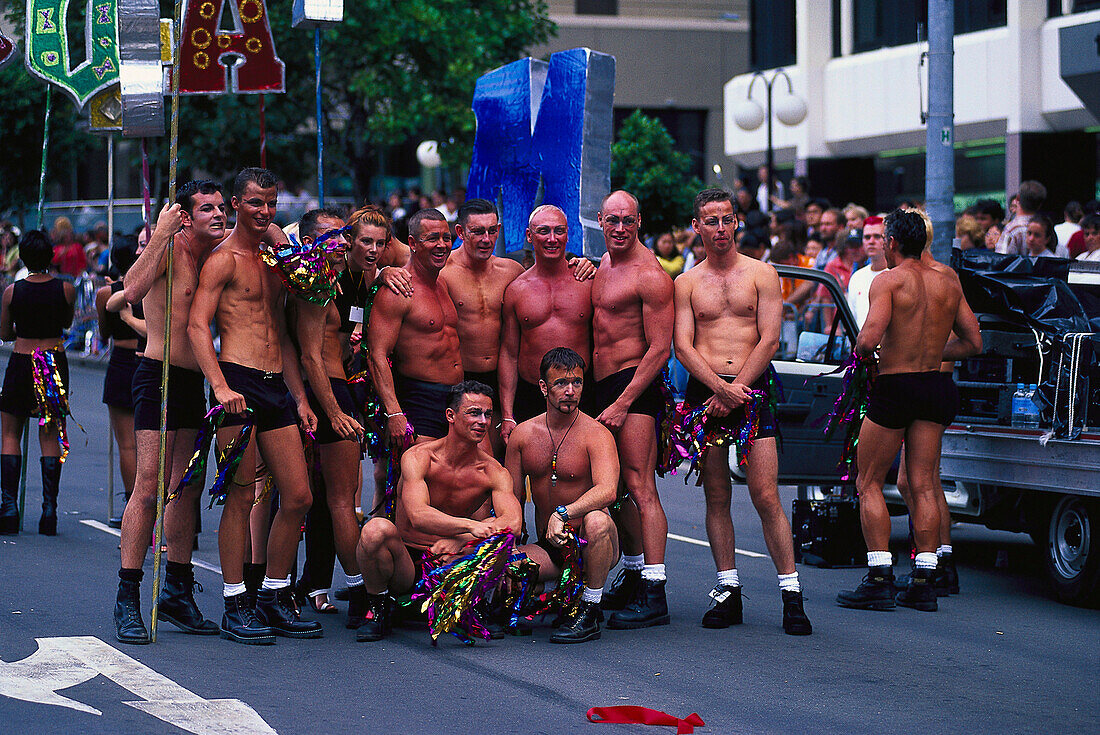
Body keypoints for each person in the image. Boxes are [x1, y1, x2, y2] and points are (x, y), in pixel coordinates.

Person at [189, 167, 322, 644]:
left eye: (271, 202)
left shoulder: (274, 253)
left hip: (274, 384)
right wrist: (219, 386)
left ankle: (272, 594)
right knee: (242, 495)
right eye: (254, 203)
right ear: (235, 203)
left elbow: (292, 323)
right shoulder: (223, 260)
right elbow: (196, 326)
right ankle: (233, 601)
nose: (264, 211)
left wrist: (300, 396)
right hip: (238, 381)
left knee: (299, 495)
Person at [673, 188, 812, 635]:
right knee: (717, 495)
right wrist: (717, 389)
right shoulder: (686, 282)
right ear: (697, 227)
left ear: (737, 223)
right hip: (706, 393)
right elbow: (682, 344)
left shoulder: (762, 273)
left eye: (726, 219)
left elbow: (769, 338)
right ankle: (728, 590)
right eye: (710, 221)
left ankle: (791, 594)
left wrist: (737, 390)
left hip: (752, 391)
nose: (719, 228)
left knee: (766, 496)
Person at [836, 209, 981, 613]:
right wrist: (933, 352)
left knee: (867, 482)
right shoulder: (948, 280)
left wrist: (876, 352)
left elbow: (867, 341)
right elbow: (973, 342)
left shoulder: (888, 280)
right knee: (922, 484)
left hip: (896, 386)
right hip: (935, 386)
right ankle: (923, 578)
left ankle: (880, 577)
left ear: (893, 243)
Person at [114, 183, 230, 644]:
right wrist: (160, 234)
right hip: (156, 375)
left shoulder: (218, 252)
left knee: (187, 488)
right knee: (149, 488)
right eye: (208, 208)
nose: (219, 214)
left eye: (222, 207)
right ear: (185, 216)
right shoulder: (171, 247)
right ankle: (127, 598)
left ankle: (177, 591)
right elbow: (130, 289)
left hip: (192, 381)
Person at [354, 381, 522, 642]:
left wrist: (460, 540)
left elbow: (513, 522)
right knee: (375, 530)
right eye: (474, 413)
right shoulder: (419, 457)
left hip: (453, 565)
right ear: (450, 416)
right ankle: (378, 608)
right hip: (407, 565)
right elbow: (417, 515)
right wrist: (468, 527)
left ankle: (471, 604)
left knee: (502, 536)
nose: (483, 421)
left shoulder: (493, 472)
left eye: (488, 414)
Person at [586, 191, 675, 629]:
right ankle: (637, 572)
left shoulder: (650, 274)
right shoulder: (601, 265)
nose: (620, 228)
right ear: (600, 221)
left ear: (639, 221)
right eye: (612, 221)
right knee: (614, 484)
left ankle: (655, 591)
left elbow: (661, 348)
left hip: (634, 388)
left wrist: (624, 402)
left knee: (641, 486)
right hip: (603, 387)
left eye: (628, 220)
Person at [289, 208, 370, 630]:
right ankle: (360, 591)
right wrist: (333, 411)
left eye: (342, 234)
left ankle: (310, 584)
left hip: (338, 389)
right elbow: (309, 354)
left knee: (328, 500)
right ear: (307, 241)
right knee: (334, 500)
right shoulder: (311, 279)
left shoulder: (337, 277)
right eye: (327, 236)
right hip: (326, 395)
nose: (339, 242)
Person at [507, 349, 619, 643]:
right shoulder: (522, 435)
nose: (570, 391)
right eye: (560, 384)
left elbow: (607, 491)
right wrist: (510, 541)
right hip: (551, 548)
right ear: (543, 387)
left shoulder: (597, 434)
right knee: (502, 567)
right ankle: (557, 590)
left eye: (577, 383)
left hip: (591, 541)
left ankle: (591, 607)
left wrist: (564, 513)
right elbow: (512, 496)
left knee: (596, 519)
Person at [0, 230, 76, 536]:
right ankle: (49, 510)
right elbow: (67, 323)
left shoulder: (12, 291)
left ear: (22, 258)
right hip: (53, 361)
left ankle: (8, 508)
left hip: (21, 361)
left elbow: (4, 333)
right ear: (51, 256)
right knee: (49, 434)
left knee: (9, 434)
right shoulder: (66, 289)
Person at [368, 208, 463, 447]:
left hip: (457, 397)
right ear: (412, 243)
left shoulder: (442, 283)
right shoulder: (397, 290)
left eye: (446, 237)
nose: (441, 245)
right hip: (420, 400)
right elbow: (376, 355)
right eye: (432, 238)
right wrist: (394, 412)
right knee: (420, 479)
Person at [500, 205, 594, 437]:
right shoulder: (516, 290)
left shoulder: (588, 281)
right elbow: (510, 354)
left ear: (567, 234)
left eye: (558, 231)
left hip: (581, 392)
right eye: (543, 231)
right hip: (531, 393)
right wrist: (507, 414)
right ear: (529, 236)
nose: (552, 239)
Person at [95, 236, 142, 527]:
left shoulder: (107, 293)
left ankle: (132, 504)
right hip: (147, 358)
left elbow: (103, 334)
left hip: (123, 361)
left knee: (127, 445)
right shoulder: (151, 286)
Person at [847, 216, 888, 328]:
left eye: (877, 236)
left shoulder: (897, 274)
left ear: (888, 240)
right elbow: (852, 320)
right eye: (867, 237)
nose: (871, 241)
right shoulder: (856, 277)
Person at [997, 180, 1046, 256]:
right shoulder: (1046, 229)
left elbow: (1001, 260)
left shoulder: (1012, 229)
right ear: (1040, 204)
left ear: (1017, 198)